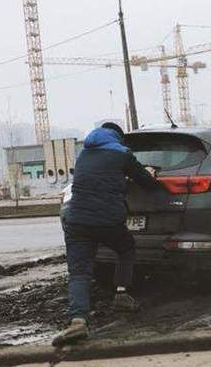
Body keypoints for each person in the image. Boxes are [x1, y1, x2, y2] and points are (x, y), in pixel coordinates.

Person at [52, 122, 157, 347]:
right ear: (117, 137)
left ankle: (78, 321)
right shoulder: (121, 153)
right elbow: (147, 182)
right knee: (126, 247)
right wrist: (149, 172)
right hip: (107, 219)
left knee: (79, 272)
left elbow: (98, 179)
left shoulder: (85, 154)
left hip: (76, 219)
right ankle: (121, 294)